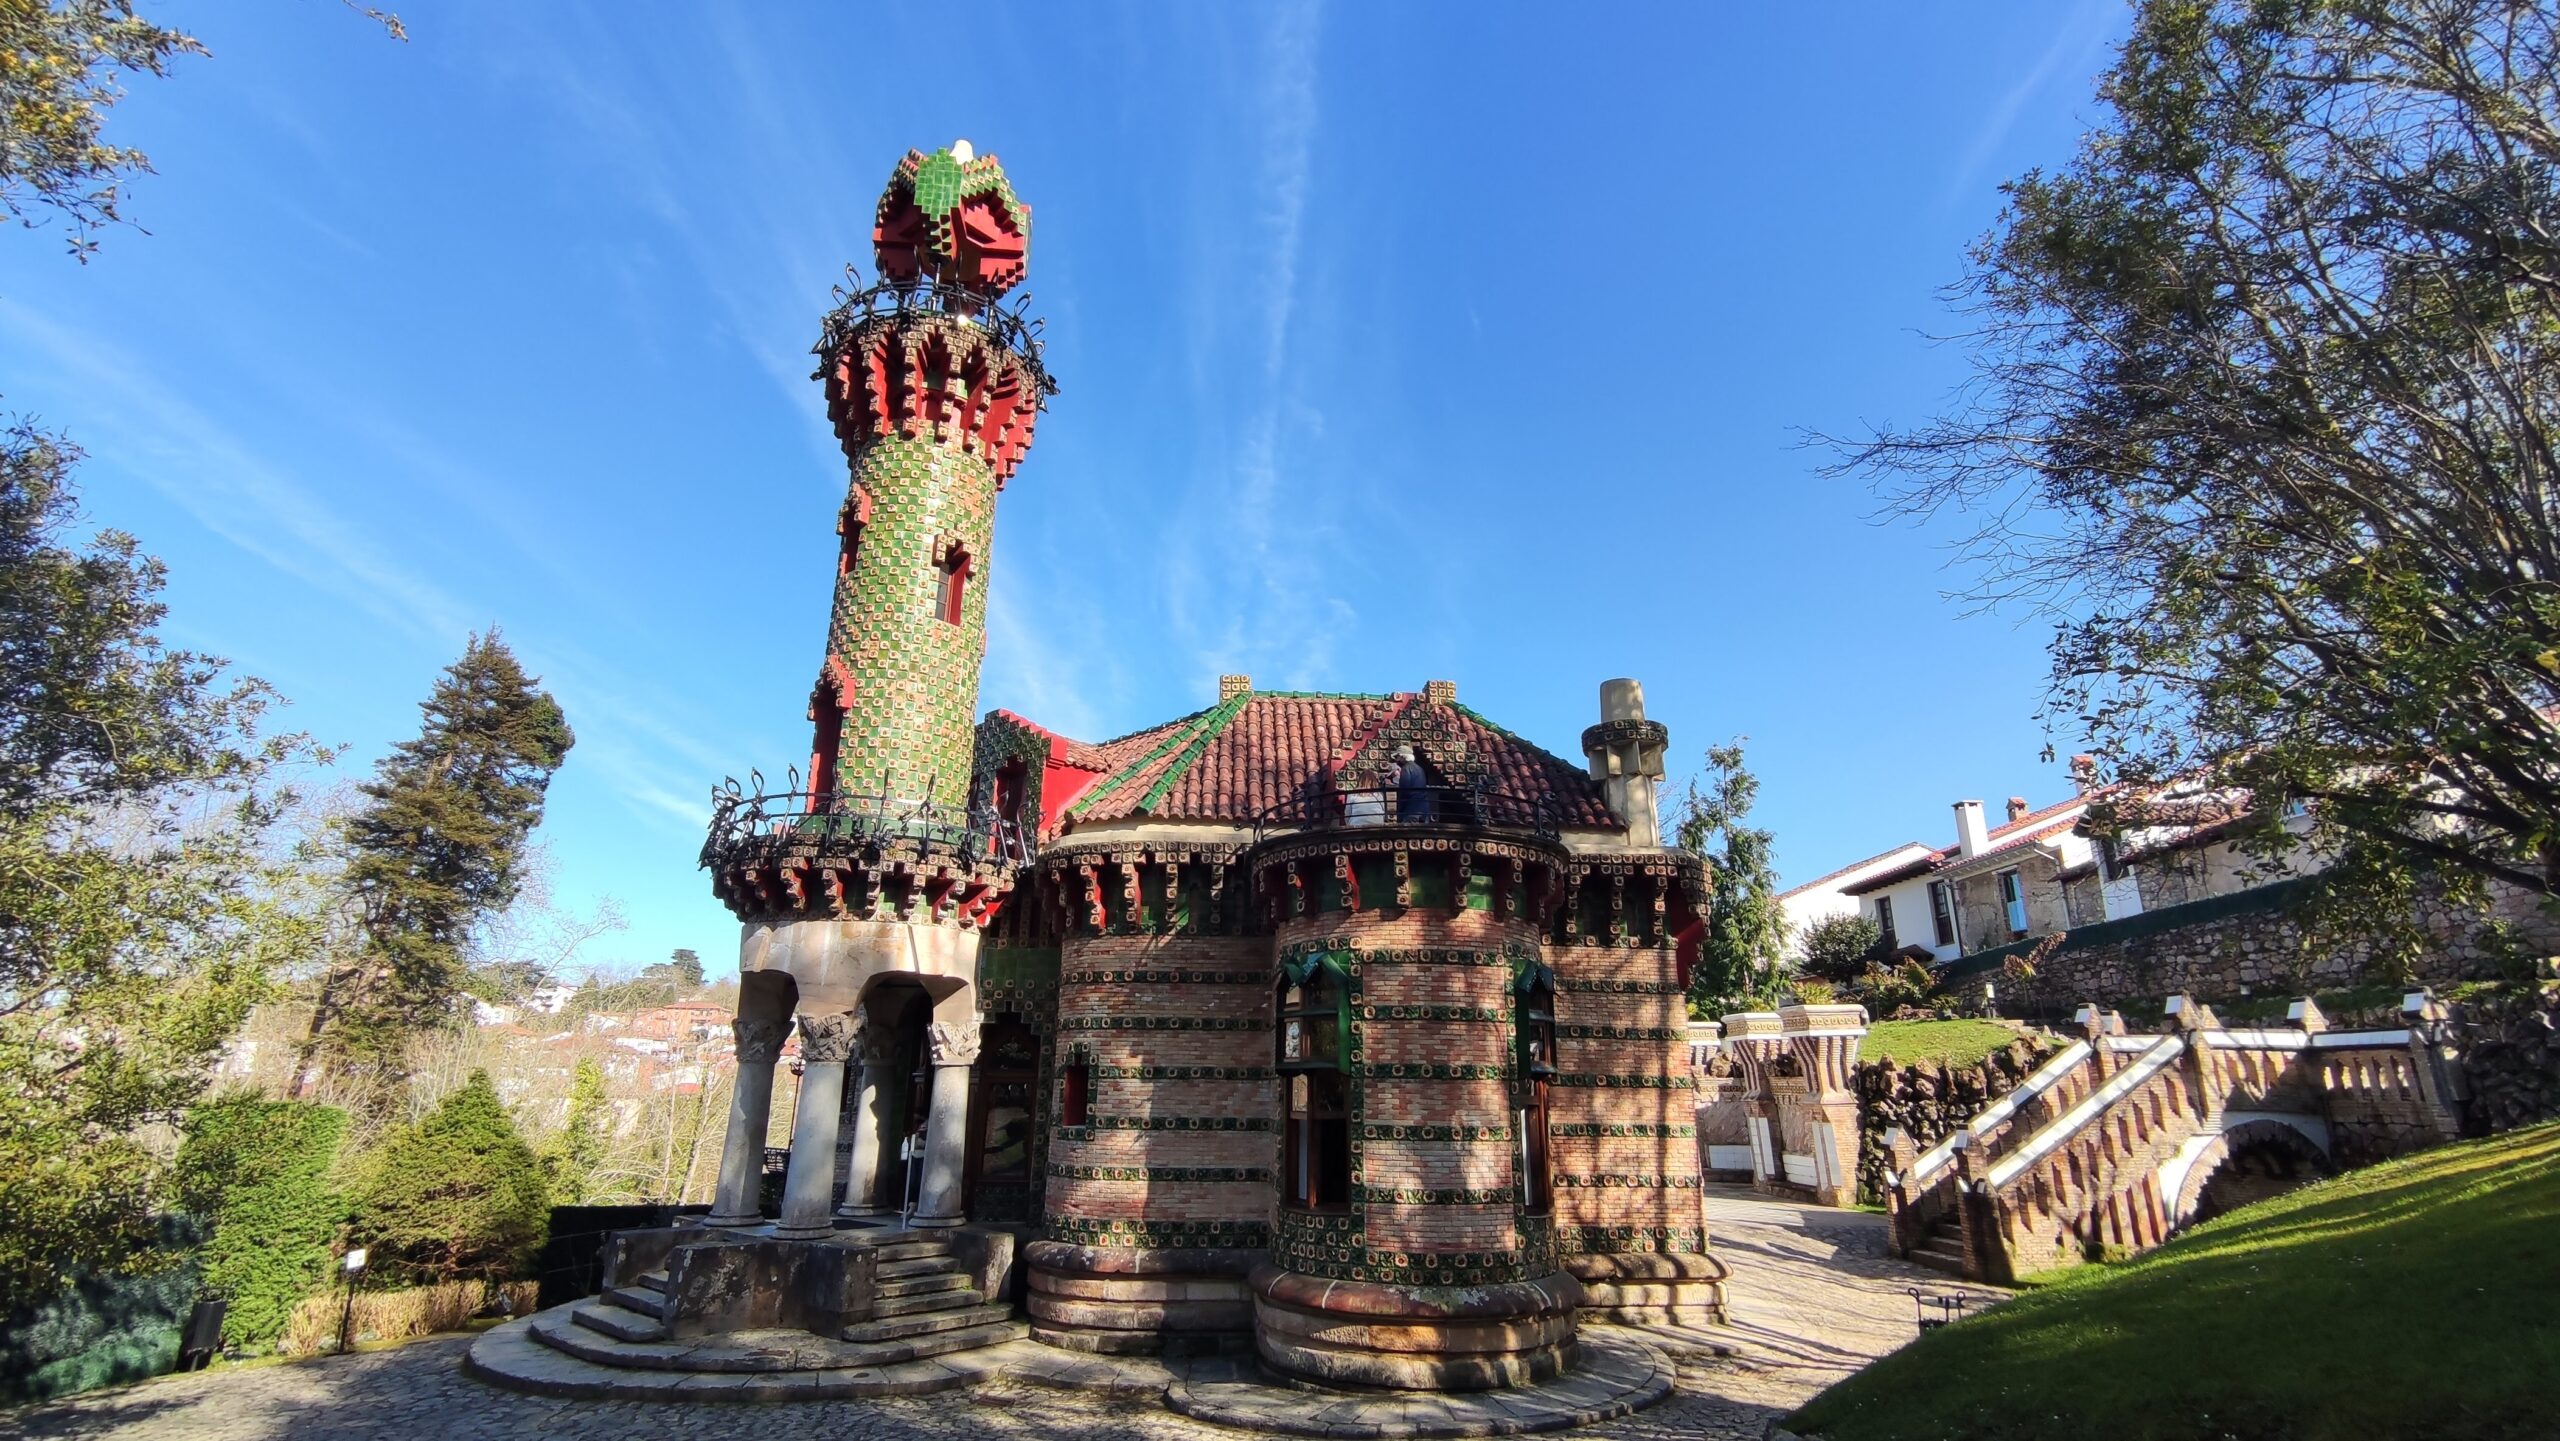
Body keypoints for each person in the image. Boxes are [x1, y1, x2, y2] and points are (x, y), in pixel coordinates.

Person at [1393, 746, 1432, 823]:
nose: (1397, 760)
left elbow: (1404, 790)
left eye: (1397, 757)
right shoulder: (1420, 768)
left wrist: (1400, 811)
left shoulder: (1406, 768)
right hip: (1423, 808)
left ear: (1402, 756)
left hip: (1411, 809)